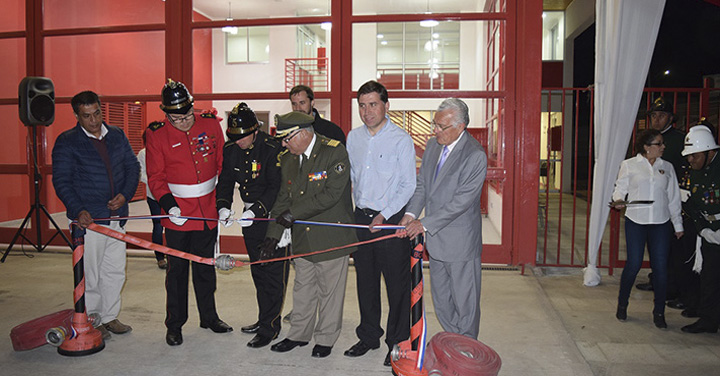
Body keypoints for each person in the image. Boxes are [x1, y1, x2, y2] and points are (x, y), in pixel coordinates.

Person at [260, 111, 356, 358]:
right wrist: (273, 234)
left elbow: (331, 194)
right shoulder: (289, 159)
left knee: (329, 291)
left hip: (330, 235)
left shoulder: (334, 151)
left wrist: (293, 214)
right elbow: (283, 198)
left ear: (302, 133)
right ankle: (298, 335)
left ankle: (325, 338)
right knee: (303, 288)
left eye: (285, 138)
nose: (282, 144)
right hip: (303, 236)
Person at [145, 79, 232, 346]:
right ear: (165, 114)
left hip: (206, 210)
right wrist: (169, 205)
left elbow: (222, 165)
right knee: (177, 272)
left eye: (186, 115)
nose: (183, 122)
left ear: (193, 107)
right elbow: (156, 177)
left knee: (206, 268)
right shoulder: (156, 134)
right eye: (175, 118)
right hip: (178, 214)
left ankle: (209, 317)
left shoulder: (209, 123)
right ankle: (175, 324)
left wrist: (223, 202)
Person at [52, 90, 140, 340]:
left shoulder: (117, 135)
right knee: (90, 274)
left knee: (115, 270)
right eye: (87, 116)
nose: (94, 120)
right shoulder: (67, 141)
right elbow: (62, 181)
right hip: (89, 221)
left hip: (117, 216)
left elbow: (132, 167)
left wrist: (125, 194)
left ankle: (110, 317)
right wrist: (78, 210)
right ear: (77, 116)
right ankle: (93, 318)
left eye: (97, 113)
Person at [398, 98, 487, 339]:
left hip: (460, 244)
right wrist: (410, 214)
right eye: (434, 124)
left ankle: (466, 349)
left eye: (440, 126)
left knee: (464, 303)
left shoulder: (475, 155)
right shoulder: (433, 146)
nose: (434, 130)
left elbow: (461, 202)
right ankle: (451, 342)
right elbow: (423, 185)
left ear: (460, 126)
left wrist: (423, 224)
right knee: (442, 300)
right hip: (436, 242)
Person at [344, 81, 416, 366]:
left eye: (373, 104)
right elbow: (351, 180)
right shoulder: (354, 138)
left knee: (396, 285)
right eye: (362, 105)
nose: (367, 111)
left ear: (386, 105)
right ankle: (369, 335)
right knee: (366, 281)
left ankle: (397, 343)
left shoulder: (401, 139)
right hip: (362, 219)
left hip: (390, 220)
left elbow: (408, 184)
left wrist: (384, 214)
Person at [215, 102, 287, 348]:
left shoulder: (271, 148)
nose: (240, 142)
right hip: (249, 218)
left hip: (272, 217)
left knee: (273, 275)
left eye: (244, 136)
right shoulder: (231, 149)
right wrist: (223, 205)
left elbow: (276, 187)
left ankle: (270, 327)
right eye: (235, 137)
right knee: (258, 271)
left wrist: (257, 209)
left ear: (255, 130)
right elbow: (225, 180)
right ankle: (263, 318)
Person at [610, 129, 683, 329]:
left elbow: (673, 197)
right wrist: (618, 200)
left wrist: (677, 224)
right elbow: (620, 188)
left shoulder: (667, 167)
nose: (663, 147)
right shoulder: (629, 165)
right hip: (636, 221)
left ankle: (659, 312)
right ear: (646, 147)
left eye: (662, 143)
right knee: (633, 264)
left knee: (660, 269)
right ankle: (622, 304)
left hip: (660, 223)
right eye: (658, 144)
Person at [635, 97, 689, 300]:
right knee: (655, 245)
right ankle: (656, 279)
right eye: (654, 115)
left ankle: (672, 288)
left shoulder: (678, 140)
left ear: (671, 118)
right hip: (651, 199)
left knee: (672, 248)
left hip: (671, 199)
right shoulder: (645, 139)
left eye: (662, 115)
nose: (657, 119)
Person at [679, 122, 720, 334]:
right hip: (710, 235)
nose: (690, 159)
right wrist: (704, 229)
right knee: (710, 278)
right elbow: (693, 206)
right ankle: (709, 320)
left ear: (709, 151)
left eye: (695, 155)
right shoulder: (695, 172)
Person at [137, 130, 167, 269]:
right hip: (153, 196)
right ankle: (160, 257)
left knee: (174, 226)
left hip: (170, 194)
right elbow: (140, 173)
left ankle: (176, 255)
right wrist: (155, 182)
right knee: (158, 225)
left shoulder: (167, 150)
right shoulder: (143, 154)